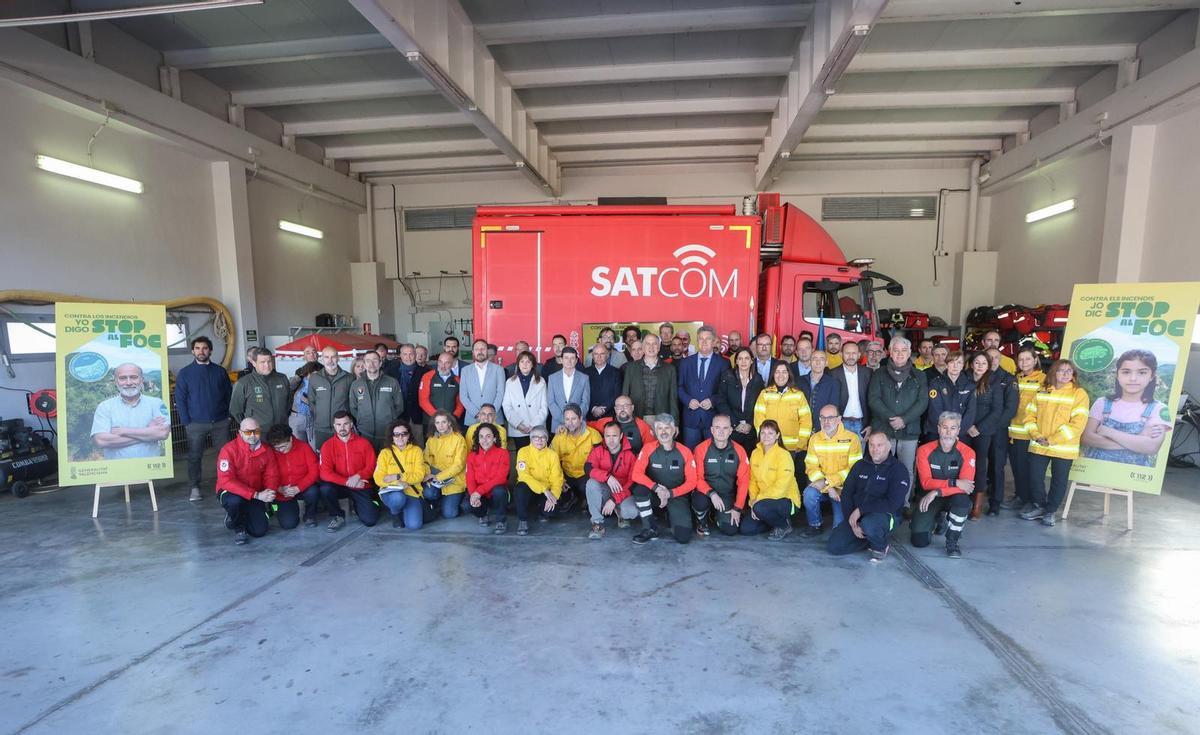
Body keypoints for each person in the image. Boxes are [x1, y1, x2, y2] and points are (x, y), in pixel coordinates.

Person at [1020, 360, 1090, 527]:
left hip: (1063, 447)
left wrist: (1052, 439)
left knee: (1059, 481)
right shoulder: (1043, 390)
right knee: (1035, 477)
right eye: (1061, 371)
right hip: (1039, 444)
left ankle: (1050, 511)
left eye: (1069, 371)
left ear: (1073, 375)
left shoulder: (1079, 394)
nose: (1065, 374)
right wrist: (1036, 435)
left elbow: (1078, 424)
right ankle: (1039, 506)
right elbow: (1029, 416)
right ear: (1053, 373)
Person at [827, 430, 910, 561]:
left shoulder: (899, 469)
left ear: (889, 446)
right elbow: (847, 494)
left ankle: (880, 546)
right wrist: (853, 522)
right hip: (859, 516)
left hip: (885, 516)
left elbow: (892, 503)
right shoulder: (859, 465)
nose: (875, 449)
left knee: (870, 523)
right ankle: (869, 537)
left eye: (880, 445)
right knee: (834, 547)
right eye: (871, 445)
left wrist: (861, 510)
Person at [1081, 349, 1172, 466]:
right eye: (1126, 372)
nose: (1133, 378)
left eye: (1142, 372)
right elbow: (1086, 438)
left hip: (1133, 478)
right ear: (1117, 374)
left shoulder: (1159, 409)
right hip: (1094, 472)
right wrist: (1138, 439)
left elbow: (1151, 447)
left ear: (1151, 376)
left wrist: (1108, 431)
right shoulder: (1102, 403)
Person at [867, 336, 929, 498]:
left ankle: (903, 503)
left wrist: (904, 419)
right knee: (880, 467)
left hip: (909, 431)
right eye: (896, 350)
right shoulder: (879, 374)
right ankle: (881, 501)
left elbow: (922, 402)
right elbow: (873, 399)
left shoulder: (919, 376)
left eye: (904, 350)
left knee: (906, 469)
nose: (900, 354)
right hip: (883, 430)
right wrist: (891, 417)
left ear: (909, 353)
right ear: (889, 353)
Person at [175, 336, 232, 501]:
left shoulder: (220, 371)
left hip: (220, 421)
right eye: (198, 348)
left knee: (225, 456)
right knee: (194, 456)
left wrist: (228, 416)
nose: (201, 351)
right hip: (195, 424)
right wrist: (186, 422)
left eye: (205, 348)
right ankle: (194, 487)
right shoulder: (185, 373)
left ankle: (225, 484)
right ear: (193, 351)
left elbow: (229, 395)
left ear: (210, 350)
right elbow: (180, 398)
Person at [912, 411, 976, 558]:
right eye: (945, 427)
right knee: (918, 541)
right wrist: (954, 482)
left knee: (963, 500)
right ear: (938, 428)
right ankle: (938, 519)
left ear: (959, 430)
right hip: (930, 497)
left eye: (953, 428)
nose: (948, 432)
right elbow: (926, 483)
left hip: (946, 496)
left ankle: (952, 541)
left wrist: (937, 491)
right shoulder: (924, 450)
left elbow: (965, 487)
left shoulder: (968, 452)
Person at [629, 414, 698, 545]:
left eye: (667, 428)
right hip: (655, 493)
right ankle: (649, 528)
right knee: (639, 490)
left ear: (674, 430)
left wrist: (670, 493)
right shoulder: (648, 448)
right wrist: (657, 488)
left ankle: (670, 515)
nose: (663, 432)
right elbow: (636, 474)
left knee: (683, 537)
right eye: (659, 428)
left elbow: (692, 482)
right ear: (655, 431)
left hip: (677, 496)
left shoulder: (685, 451)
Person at [963, 352, 1014, 517]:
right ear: (971, 364)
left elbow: (997, 409)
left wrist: (979, 427)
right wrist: (967, 425)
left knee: (979, 465)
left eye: (983, 363)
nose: (979, 366)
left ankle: (976, 503)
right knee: (963, 463)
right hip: (964, 428)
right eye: (976, 362)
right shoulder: (964, 378)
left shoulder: (994, 382)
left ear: (988, 365)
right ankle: (960, 499)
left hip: (983, 431)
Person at [215, 417, 280, 545]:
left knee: (259, 531)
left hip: (256, 493)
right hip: (232, 492)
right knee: (235, 501)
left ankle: (241, 515)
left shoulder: (267, 450)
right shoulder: (228, 450)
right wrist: (256, 495)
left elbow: (272, 474)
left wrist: (269, 491)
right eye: (248, 432)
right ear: (239, 433)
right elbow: (226, 480)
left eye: (256, 432)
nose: (253, 436)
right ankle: (238, 528)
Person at [802, 406, 863, 536]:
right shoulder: (814, 439)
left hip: (843, 490)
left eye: (830, 418)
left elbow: (854, 469)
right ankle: (815, 525)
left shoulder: (852, 438)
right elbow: (811, 466)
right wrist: (828, 486)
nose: (826, 422)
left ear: (839, 419)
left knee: (838, 531)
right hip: (825, 488)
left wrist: (828, 482)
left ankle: (838, 526)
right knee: (809, 494)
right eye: (823, 418)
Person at [91, 362, 171, 460]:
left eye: (133, 377)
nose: (128, 382)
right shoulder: (104, 407)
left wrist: (123, 431)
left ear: (142, 380)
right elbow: (101, 441)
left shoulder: (157, 404)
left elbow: (163, 433)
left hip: (150, 469)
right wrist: (148, 433)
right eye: (123, 378)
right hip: (116, 471)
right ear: (116, 382)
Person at [754, 362, 813, 487]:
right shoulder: (765, 394)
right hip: (771, 447)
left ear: (789, 374)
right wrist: (765, 442)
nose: (781, 375)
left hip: (794, 449)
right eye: (777, 372)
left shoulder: (798, 395)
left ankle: (794, 505)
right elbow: (759, 421)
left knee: (793, 481)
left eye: (784, 372)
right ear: (773, 375)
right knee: (772, 479)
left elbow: (806, 420)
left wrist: (801, 443)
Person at [318, 411, 379, 531]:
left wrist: (358, 476)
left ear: (351, 424)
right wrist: (346, 481)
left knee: (370, 521)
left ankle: (358, 506)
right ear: (334, 426)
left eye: (345, 424)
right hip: (339, 486)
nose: (342, 427)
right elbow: (324, 472)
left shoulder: (364, 443)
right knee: (325, 489)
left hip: (360, 484)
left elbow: (372, 466)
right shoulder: (327, 446)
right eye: (338, 424)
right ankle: (337, 515)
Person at [740, 420, 800, 540]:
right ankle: (773, 522)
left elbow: (781, 487)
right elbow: (752, 481)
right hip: (761, 502)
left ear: (777, 435)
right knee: (746, 529)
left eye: (771, 433)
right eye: (763, 433)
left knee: (760, 508)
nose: (766, 436)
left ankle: (784, 525)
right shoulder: (755, 453)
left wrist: (758, 501)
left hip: (785, 500)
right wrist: (752, 500)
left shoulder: (784, 455)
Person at [691, 414, 750, 537]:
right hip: (705, 493)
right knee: (700, 501)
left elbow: (744, 482)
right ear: (712, 430)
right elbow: (697, 478)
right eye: (717, 428)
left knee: (731, 529)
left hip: (726, 495)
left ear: (730, 431)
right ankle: (702, 521)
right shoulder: (701, 449)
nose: (721, 432)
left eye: (725, 428)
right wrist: (712, 494)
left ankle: (716, 515)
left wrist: (738, 507)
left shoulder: (739, 451)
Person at [1003, 348, 1045, 512]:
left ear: (1035, 360)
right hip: (1014, 431)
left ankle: (1033, 501)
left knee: (1032, 471)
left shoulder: (1044, 379)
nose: (1024, 363)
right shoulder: (1014, 378)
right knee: (1017, 468)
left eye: (1028, 359)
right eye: (1021, 360)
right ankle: (1020, 496)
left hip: (1031, 433)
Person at [584, 422, 639, 539]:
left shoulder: (631, 454)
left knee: (631, 512)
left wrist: (615, 499)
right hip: (605, 490)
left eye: (614, 436)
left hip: (624, 493)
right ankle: (597, 523)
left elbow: (633, 483)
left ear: (621, 436)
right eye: (607, 436)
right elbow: (588, 469)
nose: (611, 440)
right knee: (591, 483)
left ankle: (619, 511)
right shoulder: (598, 449)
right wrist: (607, 477)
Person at [676, 324, 728, 448]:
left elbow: (724, 390)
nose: (704, 342)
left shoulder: (723, 363)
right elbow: (679, 387)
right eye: (701, 339)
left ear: (714, 341)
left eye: (708, 339)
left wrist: (712, 401)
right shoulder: (685, 363)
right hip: (690, 419)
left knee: (711, 455)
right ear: (697, 340)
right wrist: (688, 401)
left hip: (712, 419)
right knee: (691, 456)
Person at [373, 419, 429, 530]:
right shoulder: (385, 453)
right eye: (396, 434)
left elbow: (420, 474)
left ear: (409, 435)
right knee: (398, 498)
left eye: (404, 434)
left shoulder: (417, 451)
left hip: (411, 492)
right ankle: (395, 513)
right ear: (392, 437)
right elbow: (378, 478)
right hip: (391, 493)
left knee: (414, 526)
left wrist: (398, 476)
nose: (400, 437)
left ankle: (404, 511)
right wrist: (397, 482)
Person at [513, 426, 565, 536]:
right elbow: (523, 476)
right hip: (529, 489)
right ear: (531, 439)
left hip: (546, 491)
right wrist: (543, 489)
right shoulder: (523, 452)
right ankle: (523, 520)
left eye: (543, 437)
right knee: (520, 488)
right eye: (536, 437)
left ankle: (541, 511)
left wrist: (553, 496)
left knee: (551, 511)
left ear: (547, 439)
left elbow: (557, 479)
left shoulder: (553, 455)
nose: (539, 440)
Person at [265, 423, 319, 530]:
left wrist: (298, 488)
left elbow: (315, 471)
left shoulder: (304, 447)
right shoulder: (270, 452)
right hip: (282, 492)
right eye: (277, 448)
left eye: (283, 446)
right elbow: (267, 475)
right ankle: (273, 508)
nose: (280, 450)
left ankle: (309, 515)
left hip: (302, 487)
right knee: (289, 524)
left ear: (290, 439)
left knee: (314, 491)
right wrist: (278, 488)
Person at [551, 404, 601, 513]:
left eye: (573, 419)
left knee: (587, 487)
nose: (570, 422)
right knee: (558, 493)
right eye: (567, 419)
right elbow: (551, 461)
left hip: (586, 474)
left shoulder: (593, 435)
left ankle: (585, 498)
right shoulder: (559, 436)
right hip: (567, 474)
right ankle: (571, 497)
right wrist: (560, 480)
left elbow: (601, 461)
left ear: (580, 418)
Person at [349, 351, 403, 451]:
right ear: (364, 364)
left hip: (386, 434)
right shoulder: (356, 385)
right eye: (368, 361)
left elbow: (399, 406)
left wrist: (389, 419)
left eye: (375, 360)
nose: (371, 364)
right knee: (368, 464)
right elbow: (353, 408)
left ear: (380, 363)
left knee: (387, 464)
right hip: (365, 434)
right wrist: (363, 420)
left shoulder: (392, 382)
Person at [715, 347, 764, 453]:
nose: (743, 361)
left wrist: (750, 424)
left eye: (746, 358)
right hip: (732, 429)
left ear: (752, 360)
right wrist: (735, 424)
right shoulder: (727, 377)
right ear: (736, 361)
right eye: (740, 358)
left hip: (751, 430)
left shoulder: (758, 379)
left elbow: (761, 405)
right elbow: (721, 402)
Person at [422, 410, 469, 520]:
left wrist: (438, 477)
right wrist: (429, 475)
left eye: (443, 422)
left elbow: (459, 465)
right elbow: (425, 461)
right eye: (437, 423)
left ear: (450, 423)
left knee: (449, 514)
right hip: (434, 478)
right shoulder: (431, 439)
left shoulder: (459, 439)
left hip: (454, 479)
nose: (440, 426)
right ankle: (439, 500)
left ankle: (460, 497)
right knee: (428, 494)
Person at [466, 422, 510, 533]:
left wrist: (479, 491)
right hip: (481, 495)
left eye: (488, 436)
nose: (484, 440)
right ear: (478, 439)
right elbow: (470, 478)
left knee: (499, 491)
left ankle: (501, 520)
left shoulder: (503, 453)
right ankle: (483, 513)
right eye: (481, 437)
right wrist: (473, 495)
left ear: (495, 438)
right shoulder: (471, 456)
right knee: (466, 505)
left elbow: (501, 478)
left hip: (496, 493)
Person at [622, 333, 678, 421]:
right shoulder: (631, 368)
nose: (651, 347)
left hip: (662, 419)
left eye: (654, 344)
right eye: (648, 344)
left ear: (659, 347)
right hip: (636, 417)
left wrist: (675, 422)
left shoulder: (670, 369)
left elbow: (673, 398)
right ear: (643, 348)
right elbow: (625, 394)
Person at [230, 348, 291, 429]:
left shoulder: (282, 378)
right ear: (254, 363)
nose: (267, 365)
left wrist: (283, 418)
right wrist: (249, 427)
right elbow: (236, 410)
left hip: (281, 430)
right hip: (259, 433)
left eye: (269, 361)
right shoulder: (243, 383)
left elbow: (289, 402)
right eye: (262, 362)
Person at [923, 350, 976, 442]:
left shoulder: (970, 385)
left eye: (959, 362)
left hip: (961, 432)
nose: (955, 366)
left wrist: (957, 431)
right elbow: (935, 410)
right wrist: (946, 431)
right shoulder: (936, 383)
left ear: (963, 365)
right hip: (937, 431)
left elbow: (971, 411)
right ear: (947, 364)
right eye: (952, 362)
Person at [503, 350, 548, 451]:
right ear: (518, 364)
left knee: (538, 459)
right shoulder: (510, 382)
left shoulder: (541, 382)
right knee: (522, 458)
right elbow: (506, 406)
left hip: (536, 428)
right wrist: (518, 424)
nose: (525, 364)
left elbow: (544, 407)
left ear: (533, 364)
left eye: (528, 362)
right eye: (522, 361)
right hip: (519, 429)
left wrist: (533, 425)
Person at [309, 346, 352, 449]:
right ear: (321, 359)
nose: (330, 360)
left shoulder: (349, 378)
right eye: (327, 357)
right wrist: (320, 416)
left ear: (338, 358)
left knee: (343, 457)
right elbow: (312, 401)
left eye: (333, 357)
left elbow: (353, 403)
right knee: (323, 456)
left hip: (342, 428)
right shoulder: (314, 378)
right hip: (321, 428)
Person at [460, 338, 506, 427]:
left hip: (494, 419)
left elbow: (500, 393)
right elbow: (463, 396)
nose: (480, 351)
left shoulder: (499, 370)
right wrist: (478, 414)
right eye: (477, 349)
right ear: (473, 352)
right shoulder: (465, 371)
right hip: (473, 419)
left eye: (483, 349)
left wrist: (490, 414)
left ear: (487, 351)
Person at [590, 395, 655, 456]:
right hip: (608, 465)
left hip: (633, 465)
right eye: (619, 407)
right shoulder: (605, 422)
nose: (622, 409)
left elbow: (651, 451)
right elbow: (585, 426)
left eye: (626, 406)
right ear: (615, 409)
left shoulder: (643, 426)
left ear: (632, 408)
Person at [831, 340, 871, 435]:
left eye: (854, 353)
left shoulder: (868, 373)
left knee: (860, 450)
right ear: (841, 354)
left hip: (862, 424)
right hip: (840, 424)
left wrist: (870, 424)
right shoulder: (832, 374)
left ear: (859, 355)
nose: (851, 356)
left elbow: (872, 400)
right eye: (847, 353)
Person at [547, 347, 591, 431]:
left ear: (576, 360)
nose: (569, 361)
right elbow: (551, 402)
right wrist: (565, 420)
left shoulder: (584, 378)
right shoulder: (552, 378)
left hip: (578, 425)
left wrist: (575, 420)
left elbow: (585, 402)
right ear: (561, 360)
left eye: (572, 358)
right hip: (558, 425)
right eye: (566, 358)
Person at [418, 352, 465, 429]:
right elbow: (423, 400)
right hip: (431, 421)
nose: (443, 366)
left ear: (452, 364)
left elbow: (460, 401)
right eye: (440, 362)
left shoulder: (457, 380)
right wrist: (438, 417)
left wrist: (455, 416)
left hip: (450, 422)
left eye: (447, 363)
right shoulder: (427, 376)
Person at [584, 343, 622, 421]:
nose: (599, 357)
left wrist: (603, 409)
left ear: (607, 355)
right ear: (592, 356)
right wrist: (593, 408)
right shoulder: (585, 373)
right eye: (596, 354)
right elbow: (583, 395)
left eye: (602, 354)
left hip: (609, 415)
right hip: (590, 416)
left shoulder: (616, 372)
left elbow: (617, 394)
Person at [797, 350, 839, 419]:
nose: (818, 362)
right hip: (802, 423)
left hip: (822, 425)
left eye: (822, 359)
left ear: (826, 363)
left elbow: (833, 408)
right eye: (814, 359)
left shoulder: (833, 383)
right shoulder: (799, 381)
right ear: (810, 362)